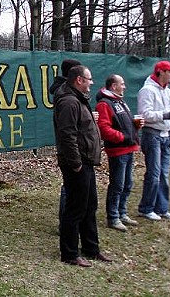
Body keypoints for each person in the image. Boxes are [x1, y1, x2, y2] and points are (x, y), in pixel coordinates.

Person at [53, 65, 112, 267]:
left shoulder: (78, 99)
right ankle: (69, 253)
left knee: (89, 206)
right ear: (79, 80)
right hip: (77, 164)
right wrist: (76, 163)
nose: (91, 82)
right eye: (89, 78)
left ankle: (90, 248)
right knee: (75, 208)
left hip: (86, 161)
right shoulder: (69, 102)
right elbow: (67, 135)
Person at [96, 74, 142, 232]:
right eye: (122, 84)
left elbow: (124, 123)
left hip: (129, 148)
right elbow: (104, 129)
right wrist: (122, 137)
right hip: (117, 150)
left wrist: (135, 127)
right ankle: (113, 217)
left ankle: (122, 213)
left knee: (128, 183)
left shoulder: (119, 101)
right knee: (117, 184)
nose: (124, 87)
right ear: (113, 86)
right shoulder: (104, 104)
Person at [137, 60, 170, 221]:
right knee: (154, 174)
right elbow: (145, 115)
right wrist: (165, 115)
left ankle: (162, 208)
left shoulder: (169, 92)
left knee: (164, 173)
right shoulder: (147, 90)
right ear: (161, 72)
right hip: (152, 134)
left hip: (165, 135)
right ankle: (146, 207)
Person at [49, 58, 82, 232]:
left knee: (70, 186)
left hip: (72, 146)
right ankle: (66, 224)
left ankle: (69, 222)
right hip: (69, 148)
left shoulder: (66, 91)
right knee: (69, 187)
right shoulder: (65, 94)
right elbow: (68, 129)